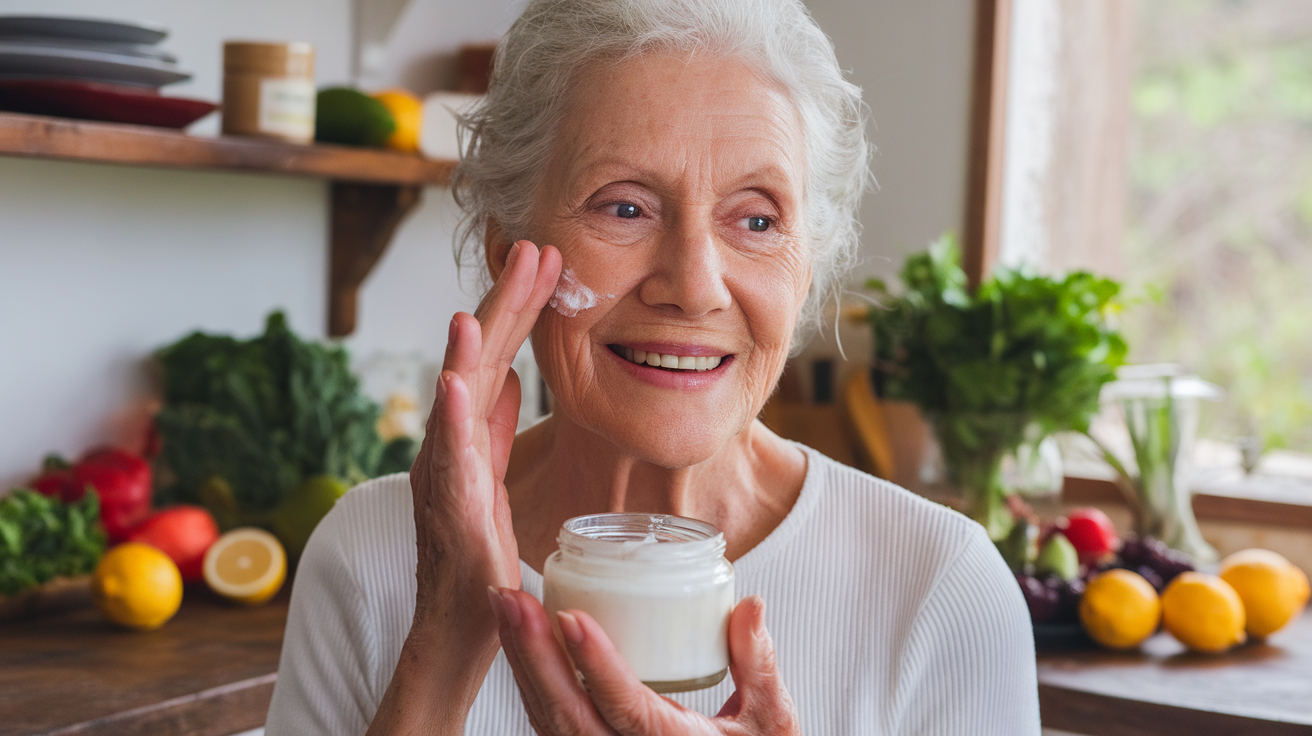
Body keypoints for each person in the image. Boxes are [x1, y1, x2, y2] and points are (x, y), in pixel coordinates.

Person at [265, 0, 1041, 733]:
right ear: (509, 255)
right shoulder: (369, 551)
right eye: (624, 206)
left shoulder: (940, 588)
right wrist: (442, 640)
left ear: (804, 272)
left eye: (758, 218)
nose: (695, 286)